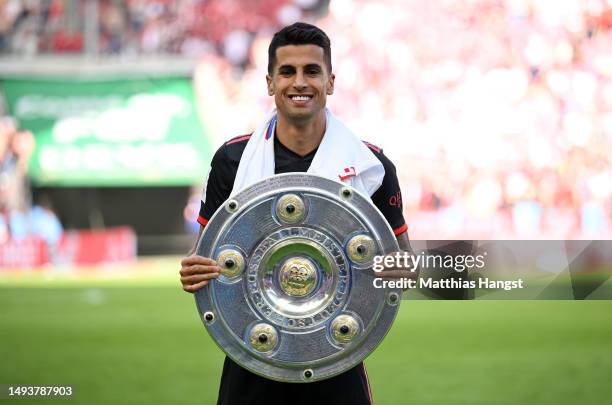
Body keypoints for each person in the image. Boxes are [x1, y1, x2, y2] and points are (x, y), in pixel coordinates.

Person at [180, 22, 414, 405]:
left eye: (312, 71)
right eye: (287, 72)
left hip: (336, 355)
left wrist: (399, 268)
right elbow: (204, 255)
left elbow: (403, 264)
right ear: (270, 82)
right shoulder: (232, 161)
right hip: (253, 355)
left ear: (331, 81)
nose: (299, 83)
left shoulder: (371, 166)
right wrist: (194, 271)